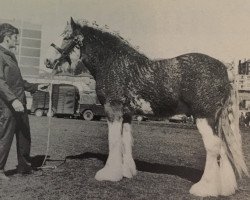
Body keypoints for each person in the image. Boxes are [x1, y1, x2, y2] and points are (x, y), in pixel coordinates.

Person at [0, 23, 48, 180]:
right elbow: (0, 82)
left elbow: (19, 82)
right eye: (15, 37)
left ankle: (24, 167)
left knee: (24, 137)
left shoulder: (10, 56)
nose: (17, 41)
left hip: (20, 104)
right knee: (5, 138)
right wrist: (13, 100)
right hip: (8, 106)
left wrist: (35, 86)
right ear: (7, 38)